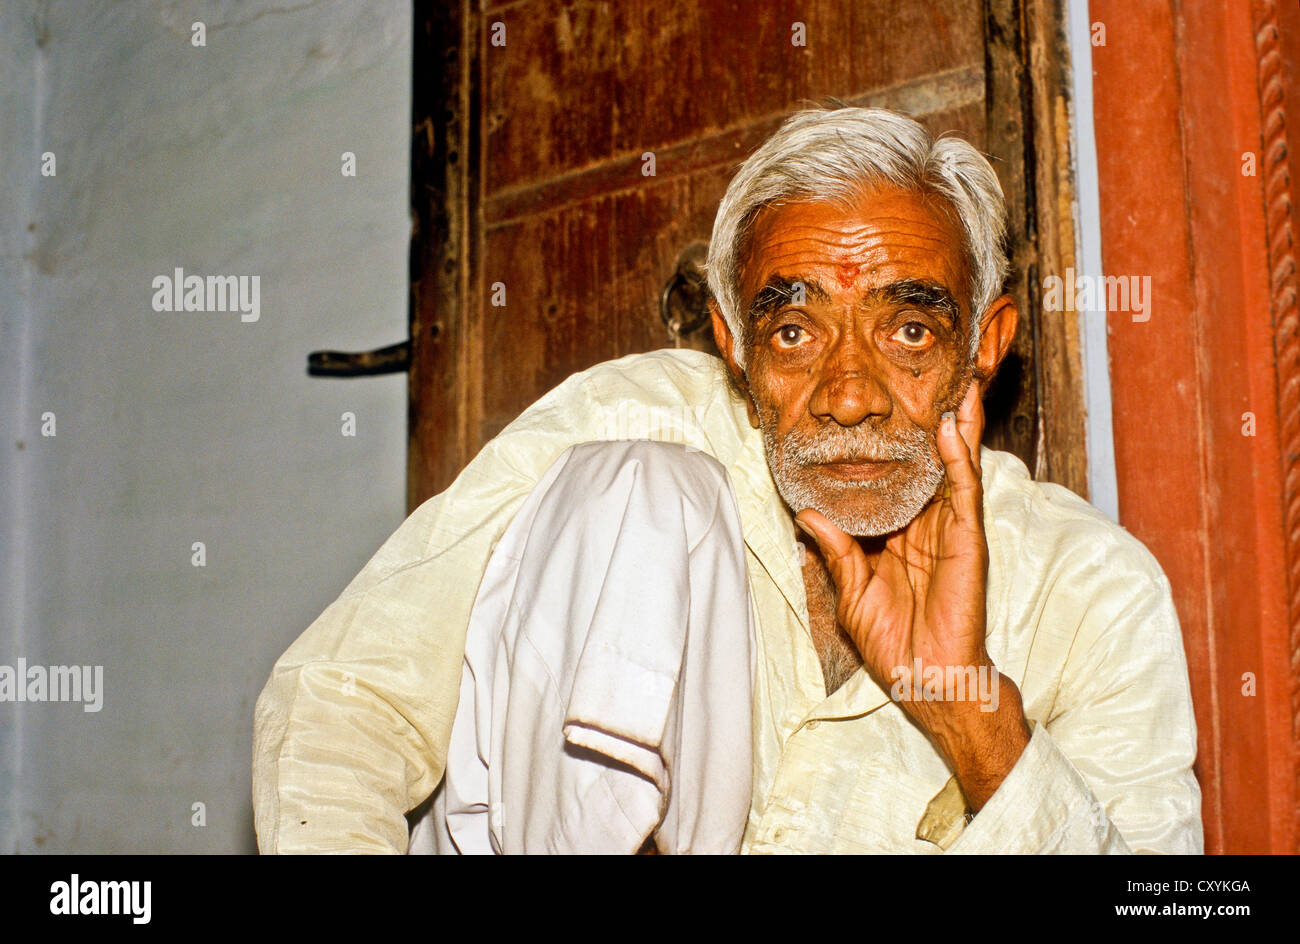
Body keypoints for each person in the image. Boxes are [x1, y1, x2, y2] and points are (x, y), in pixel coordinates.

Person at [253, 106, 1202, 854]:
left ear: (984, 348)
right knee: (640, 485)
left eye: (909, 331)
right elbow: (348, 700)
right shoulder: (634, 423)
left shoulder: (1091, 593)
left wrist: (973, 723)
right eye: (794, 333)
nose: (849, 395)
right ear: (734, 346)